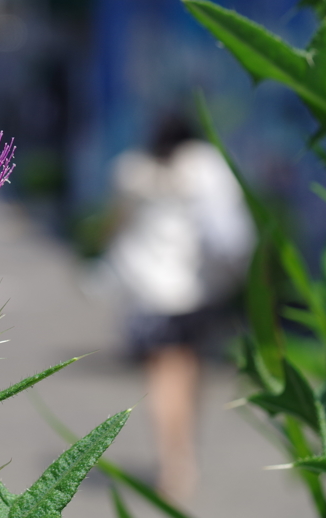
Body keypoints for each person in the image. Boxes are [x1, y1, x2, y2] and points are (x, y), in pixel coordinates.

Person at [103, 112, 254, 504]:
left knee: (161, 375)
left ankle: (172, 461)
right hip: (196, 290)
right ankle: (182, 456)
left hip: (150, 292)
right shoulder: (206, 166)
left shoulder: (132, 170)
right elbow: (230, 229)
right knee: (188, 371)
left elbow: (117, 223)